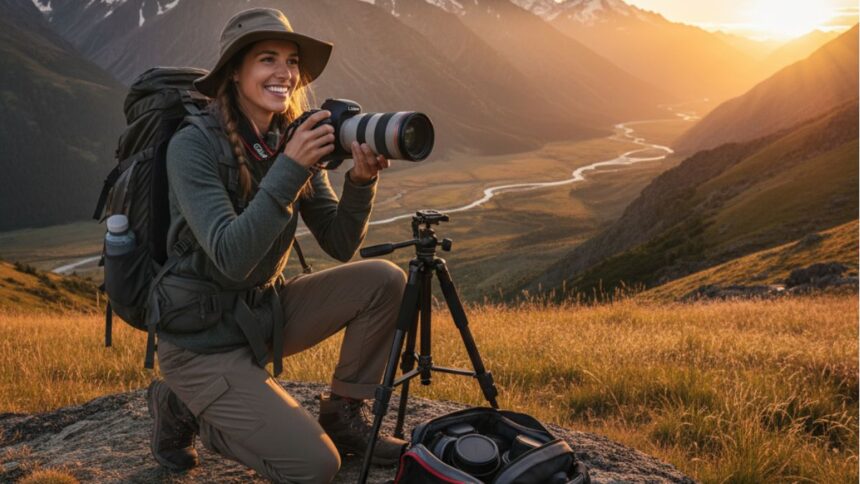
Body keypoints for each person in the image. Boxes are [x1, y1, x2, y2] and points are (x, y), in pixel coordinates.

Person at [144, 8, 408, 483]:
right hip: (201, 340)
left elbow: (339, 243)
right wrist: (291, 168)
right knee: (315, 467)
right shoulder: (193, 146)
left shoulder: (288, 138)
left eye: (290, 62)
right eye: (268, 59)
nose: (284, 73)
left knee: (384, 281)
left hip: (260, 316)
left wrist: (361, 182)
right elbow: (231, 255)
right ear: (234, 72)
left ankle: (344, 415)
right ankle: (186, 407)